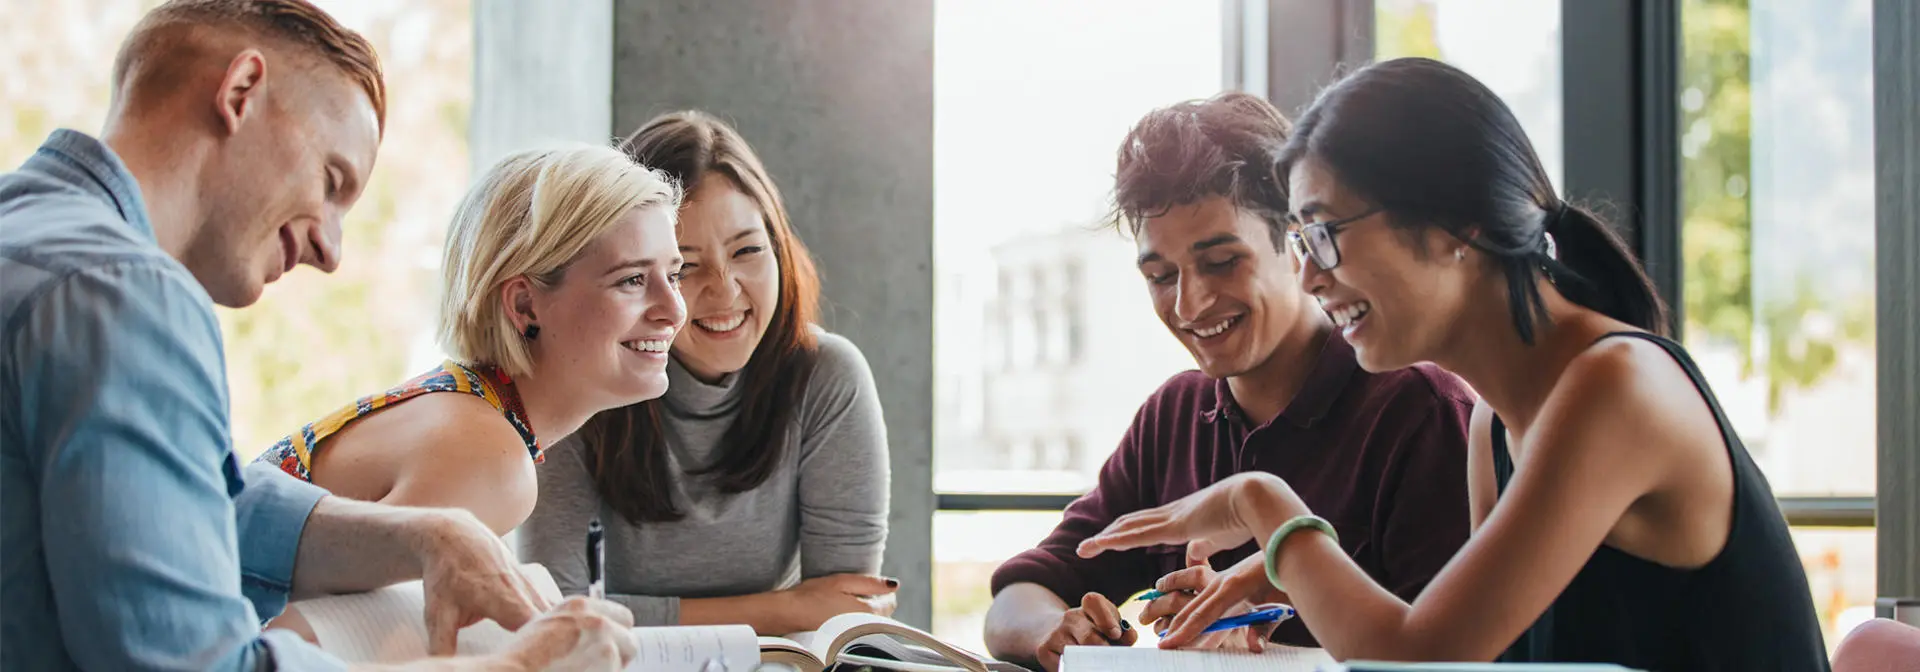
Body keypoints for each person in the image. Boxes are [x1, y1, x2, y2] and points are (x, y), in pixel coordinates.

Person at [1076, 58, 1830, 670]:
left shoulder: (1616, 387)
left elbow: (1420, 662)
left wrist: (1263, 506)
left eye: (1326, 236)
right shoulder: (1493, 428)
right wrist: (1284, 576)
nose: (1309, 278)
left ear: (1453, 226)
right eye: (1303, 245)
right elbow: (1470, 667)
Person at [0, 1, 638, 669]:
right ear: (241, 92)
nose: (330, 251)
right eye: (332, 182)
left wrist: (426, 533)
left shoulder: (35, 241)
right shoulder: (126, 293)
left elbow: (173, 505)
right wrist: (515, 665)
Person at [982, 91, 1477, 672]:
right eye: (1161, 276)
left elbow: (1447, 656)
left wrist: (1267, 624)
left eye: (1221, 263)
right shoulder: (1174, 416)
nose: (1189, 303)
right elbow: (1018, 597)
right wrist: (1055, 629)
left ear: (1297, 244)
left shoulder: (1418, 410)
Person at [518, 111, 895, 634]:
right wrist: (782, 608)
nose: (725, 291)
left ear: (780, 248)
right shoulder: (580, 379)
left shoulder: (826, 377)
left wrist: (801, 613)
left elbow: (840, 613)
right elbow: (556, 613)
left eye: (747, 251)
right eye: (684, 267)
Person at [254, 144, 686, 536]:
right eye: (631, 280)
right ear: (524, 305)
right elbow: (295, 622)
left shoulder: (469, 409)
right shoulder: (488, 460)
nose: (675, 310)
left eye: (674, 275)